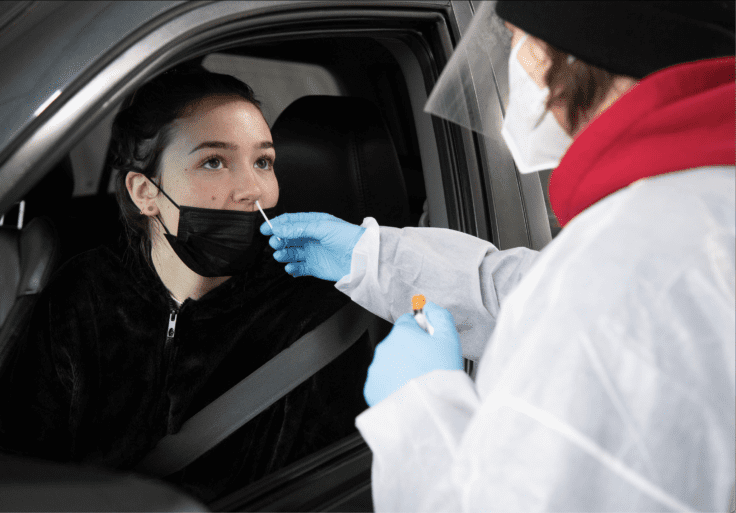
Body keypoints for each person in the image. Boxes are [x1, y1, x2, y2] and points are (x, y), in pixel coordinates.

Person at [260, 1, 735, 510]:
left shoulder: (617, 277)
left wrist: (422, 406)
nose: (515, 62)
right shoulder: (695, 211)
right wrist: (371, 256)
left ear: (582, 48)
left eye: (516, 38)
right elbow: (526, 291)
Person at [0, 63, 371, 502]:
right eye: (214, 162)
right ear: (145, 192)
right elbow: (5, 453)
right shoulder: (87, 290)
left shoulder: (310, 313)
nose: (253, 189)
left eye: (263, 161)